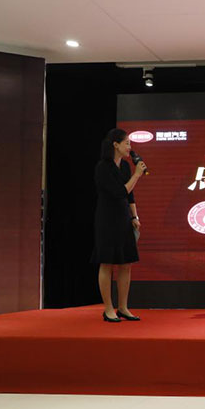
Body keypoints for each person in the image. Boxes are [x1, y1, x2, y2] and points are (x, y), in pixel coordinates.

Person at [92, 128, 147, 323]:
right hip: (107, 218)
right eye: (127, 143)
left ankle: (123, 307)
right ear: (115, 145)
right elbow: (119, 192)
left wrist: (134, 216)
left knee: (126, 263)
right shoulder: (103, 167)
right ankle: (108, 308)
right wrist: (137, 175)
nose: (130, 147)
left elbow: (130, 195)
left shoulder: (124, 166)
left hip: (124, 217)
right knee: (107, 262)